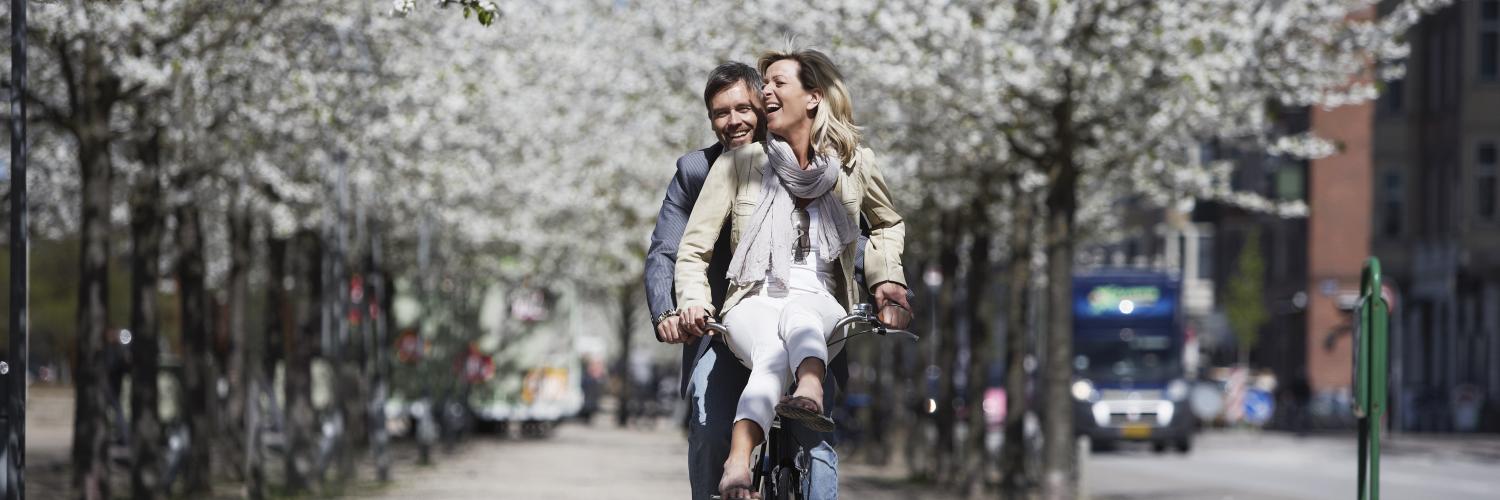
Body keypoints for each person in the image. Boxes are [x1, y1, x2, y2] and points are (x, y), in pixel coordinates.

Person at [676, 48, 912, 500]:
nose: (765, 90)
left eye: (777, 82)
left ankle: (739, 463)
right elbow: (692, 248)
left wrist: (888, 282)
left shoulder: (855, 165)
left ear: (813, 98)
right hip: (753, 301)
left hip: (822, 300)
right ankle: (805, 394)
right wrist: (692, 302)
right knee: (772, 344)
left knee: (801, 326)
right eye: (763, 83)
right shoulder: (740, 164)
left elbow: (887, 223)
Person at [643, 61, 847, 500]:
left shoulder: (821, 163)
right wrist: (670, 312)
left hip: (806, 322)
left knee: (819, 444)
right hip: (719, 328)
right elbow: (669, 249)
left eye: (744, 108)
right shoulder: (697, 172)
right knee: (711, 429)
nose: (733, 121)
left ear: (768, 107)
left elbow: (856, 235)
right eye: (720, 112)